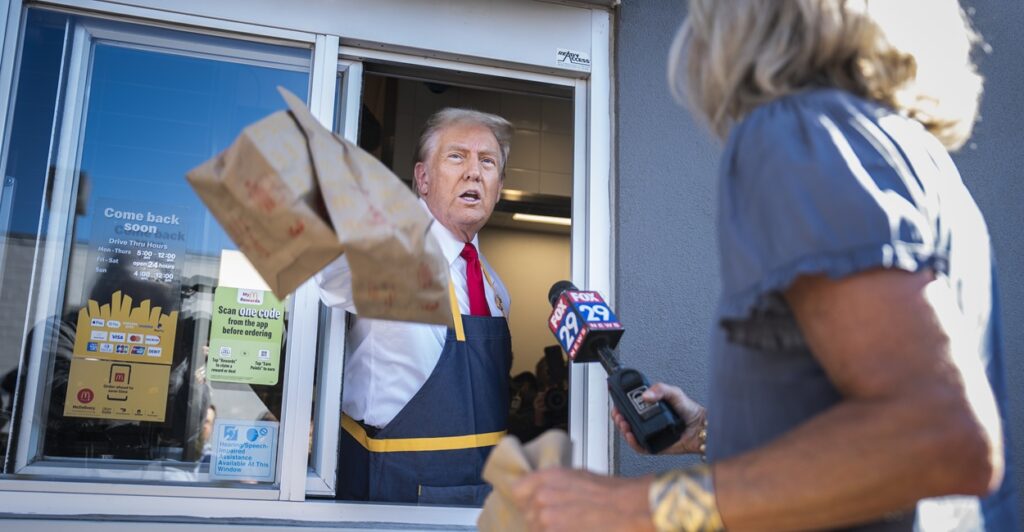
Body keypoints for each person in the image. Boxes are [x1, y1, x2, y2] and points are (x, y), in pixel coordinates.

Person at [511, 1, 1020, 530]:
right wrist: (707, 432)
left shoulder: (802, 135)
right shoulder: (919, 156)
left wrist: (630, 507)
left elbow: (938, 437)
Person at [316, 107, 514, 506]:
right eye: (457, 157)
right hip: (395, 493)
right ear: (422, 179)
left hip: (479, 500)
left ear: (499, 187)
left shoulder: (495, 288)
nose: (474, 173)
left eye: (487, 162)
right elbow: (329, 272)